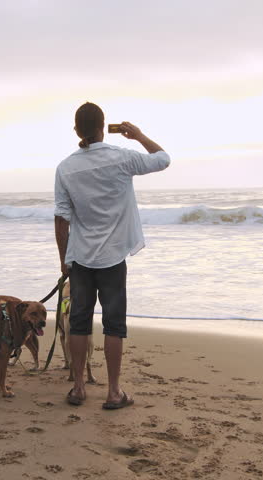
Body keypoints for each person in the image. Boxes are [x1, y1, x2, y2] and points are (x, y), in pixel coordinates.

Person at [53, 102, 170, 409]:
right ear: (103, 127)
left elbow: (61, 218)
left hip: (79, 257)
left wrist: (64, 259)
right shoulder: (122, 158)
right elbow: (162, 159)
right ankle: (113, 392)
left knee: (79, 323)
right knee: (113, 325)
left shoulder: (66, 167)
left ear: (77, 130)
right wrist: (139, 136)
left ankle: (78, 388)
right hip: (113, 257)